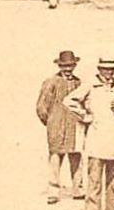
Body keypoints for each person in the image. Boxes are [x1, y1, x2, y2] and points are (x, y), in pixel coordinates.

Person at [67, 57, 114, 210]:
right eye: (105, 69)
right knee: (94, 178)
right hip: (97, 137)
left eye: (111, 69)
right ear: (99, 69)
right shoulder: (90, 85)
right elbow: (69, 101)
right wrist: (85, 116)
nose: (108, 72)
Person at [36, 51, 84, 202]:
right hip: (56, 125)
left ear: (75, 65)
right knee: (56, 156)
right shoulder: (51, 82)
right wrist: (51, 121)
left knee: (76, 155)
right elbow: (41, 107)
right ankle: (53, 191)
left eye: (70, 66)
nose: (68, 69)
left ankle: (77, 188)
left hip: (75, 124)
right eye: (64, 66)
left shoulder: (78, 83)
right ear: (59, 66)